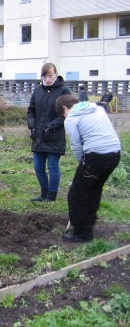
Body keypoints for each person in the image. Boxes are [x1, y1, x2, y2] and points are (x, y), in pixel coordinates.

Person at [56, 94, 121, 242]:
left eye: (63, 114)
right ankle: (88, 224)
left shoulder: (71, 119)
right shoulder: (97, 108)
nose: (64, 117)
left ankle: (82, 234)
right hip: (115, 154)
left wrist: (82, 163)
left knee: (76, 194)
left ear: (65, 108)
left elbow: (76, 145)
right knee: (94, 188)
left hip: (97, 156)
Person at [26, 62, 71, 203]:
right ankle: (43, 194)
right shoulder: (37, 90)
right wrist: (32, 126)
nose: (47, 79)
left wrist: (50, 127)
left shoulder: (64, 91)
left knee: (52, 167)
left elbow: (66, 114)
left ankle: (51, 197)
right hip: (38, 136)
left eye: (50, 76)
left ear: (56, 74)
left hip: (54, 136)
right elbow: (31, 110)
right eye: (44, 76)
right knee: (38, 167)